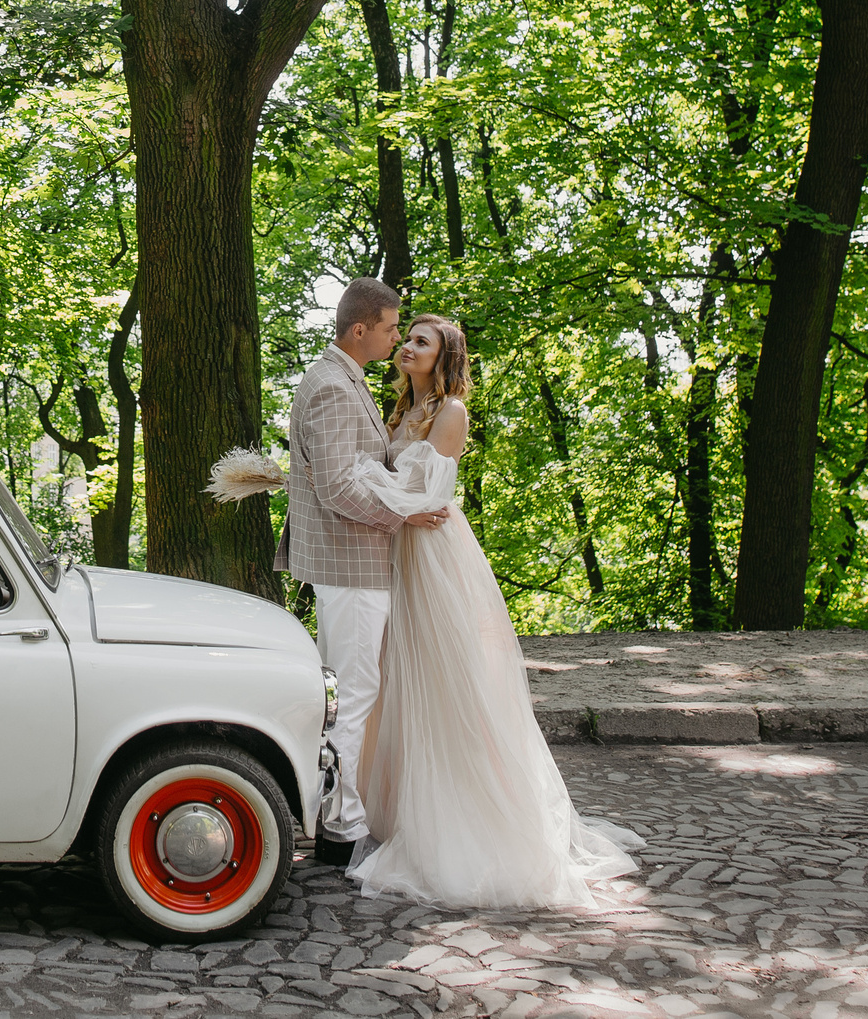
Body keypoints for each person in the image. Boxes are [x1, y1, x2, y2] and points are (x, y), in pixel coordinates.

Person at [349, 314, 644, 909]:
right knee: (398, 681)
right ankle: (401, 809)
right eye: (405, 339)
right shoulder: (403, 410)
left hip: (432, 552)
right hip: (399, 549)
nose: (406, 347)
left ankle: (466, 822)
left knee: (447, 681)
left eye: (420, 342)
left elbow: (426, 497)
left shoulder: (451, 413)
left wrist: (356, 477)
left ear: (445, 356)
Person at [276, 277, 447, 867]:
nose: (397, 338)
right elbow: (338, 486)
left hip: (354, 559)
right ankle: (340, 827)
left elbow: (353, 467)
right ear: (360, 330)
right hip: (350, 561)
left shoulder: (346, 379)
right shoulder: (330, 386)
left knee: (349, 691)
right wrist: (406, 512)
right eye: (392, 328)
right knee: (352, 695)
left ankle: (337, 817)